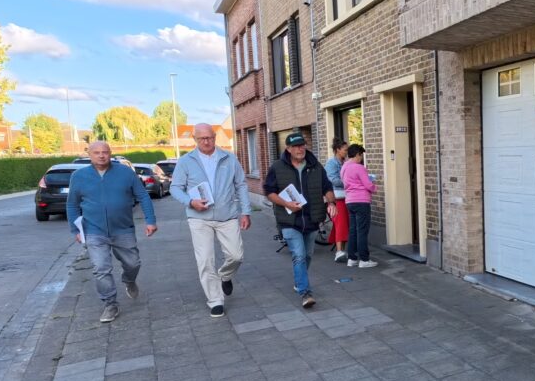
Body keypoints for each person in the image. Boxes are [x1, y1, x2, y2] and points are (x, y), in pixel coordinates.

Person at [67, 141, 157, 323]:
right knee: (101, 269)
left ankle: (129, 280)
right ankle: (110, 304)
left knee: (133, 264)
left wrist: (150, 220)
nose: (101, 155)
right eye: (97, 152)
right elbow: (72, 204)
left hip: (123, 229)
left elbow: (142, 195)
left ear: (110, 153)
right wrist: (75, 229)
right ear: (89, 154)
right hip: (94, 231)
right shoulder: (79, 176)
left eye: (105, 152)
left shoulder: (125, 172)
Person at [169, 123, 251, 318]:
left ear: (215, 137)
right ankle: (215, 300)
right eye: (202, 139)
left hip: (227, 215)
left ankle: (225, 275)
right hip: (199, 218)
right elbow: (175, 188)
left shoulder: (229, 158)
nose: (206, 142)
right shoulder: (186, 161)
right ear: (195, 139)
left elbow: (240, 185)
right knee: (205, 260)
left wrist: (246, 212)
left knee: (236, 255)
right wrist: (190, 202)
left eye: (210, 138)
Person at [264, 132, 336, 308]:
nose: (300, 149)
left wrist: (331, 202)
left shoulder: (315, 166)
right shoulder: (277, 167)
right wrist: (286, 203)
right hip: (289, 220)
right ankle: (305, 292)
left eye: (302, 145)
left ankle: (299, 282)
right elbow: (269, 191)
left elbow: (327, 187)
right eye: (296, 146)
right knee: (298, 254)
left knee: (308, 255)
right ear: (288, 149)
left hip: (312, 219)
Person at [340, 144, 377, 268]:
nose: (361, 158)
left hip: (349, 201)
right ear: (357, 154)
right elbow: (368, 184)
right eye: (361, 155)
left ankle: (352, 258)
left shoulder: (344, 167)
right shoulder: (359, 168)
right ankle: (364, 260)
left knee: (353, 230)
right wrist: (374, 187)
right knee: (362, 231)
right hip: (361, 201)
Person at [325, 136, 350, 262]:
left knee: (344, 223)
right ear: (338, 150)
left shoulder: (346, 162)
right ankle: (339, 251)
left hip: (346, 197)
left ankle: (342, 250)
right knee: (340, 223)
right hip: (336, 199)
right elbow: (333, 180)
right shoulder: (331, 163)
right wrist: (350, 182)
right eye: (345, 149)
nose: (347, 152)